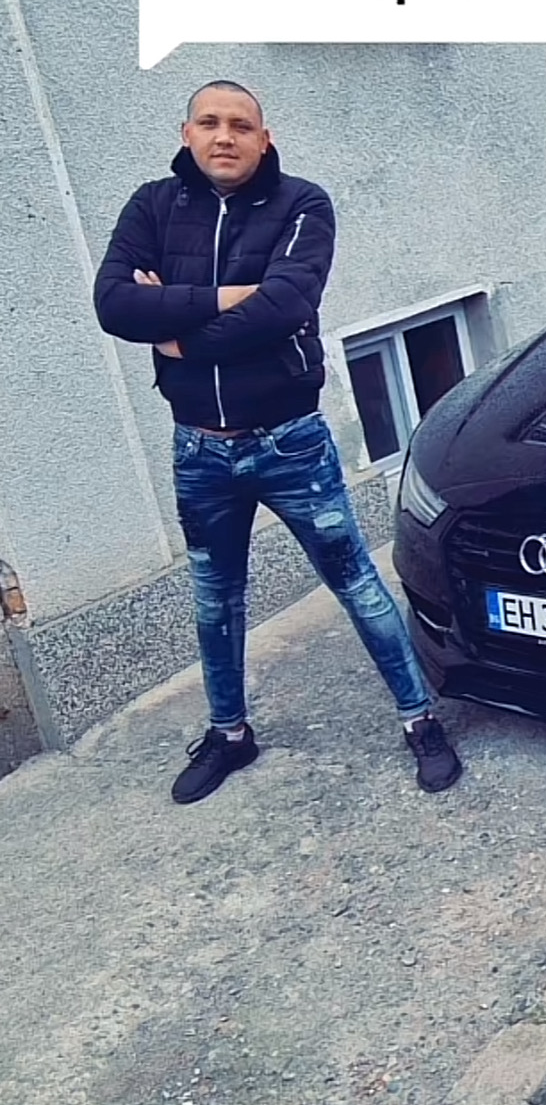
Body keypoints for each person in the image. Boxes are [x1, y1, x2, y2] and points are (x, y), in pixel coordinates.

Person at [93, 81, 462, 804]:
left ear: (264, 139)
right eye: (209, 122)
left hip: (291, 445)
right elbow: (115, 303)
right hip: (199, 450)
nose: (224, 136)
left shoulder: (301, 204)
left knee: (356, 584)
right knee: (214, 599)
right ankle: (229, 733)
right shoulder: (153, 206)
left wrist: (175, 330)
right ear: (187, 133)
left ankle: (420, 720)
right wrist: (230, 296)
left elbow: (287, 304)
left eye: (240, 125)